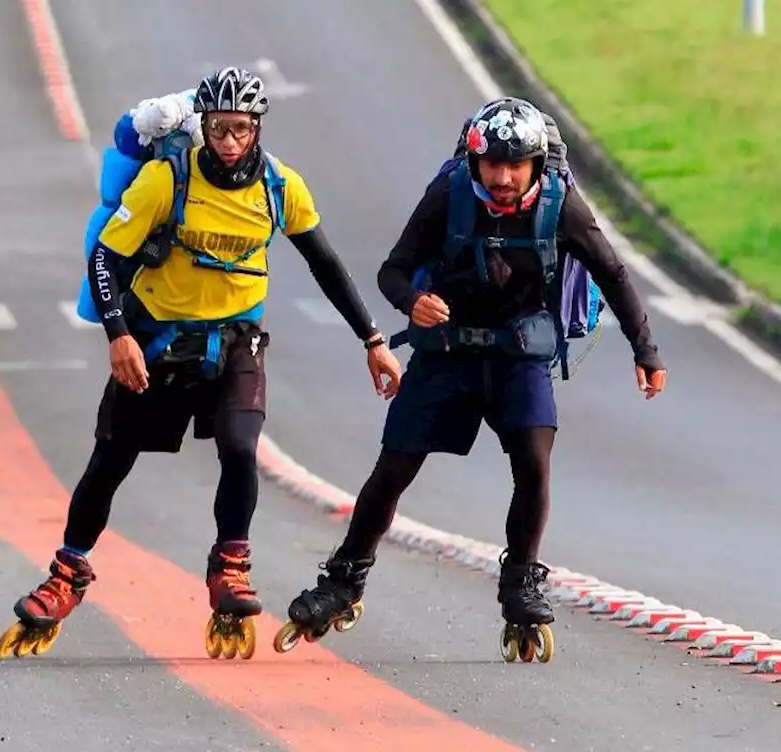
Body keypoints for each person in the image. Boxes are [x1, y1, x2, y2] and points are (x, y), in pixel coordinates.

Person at [0, 67, 402, 660]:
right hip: (157, 341)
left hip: (235, 345)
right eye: (218, 128)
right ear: (202, 126)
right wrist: (118, 336)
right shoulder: (166, 180)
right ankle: (68, 572)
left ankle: (230, 564)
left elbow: (326, 264)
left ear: (257, 127)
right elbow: (107, 259)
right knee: (111, 459)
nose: (229, 141)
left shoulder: (279, 186)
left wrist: (372, 339)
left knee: (240, 448)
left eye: (240, 129)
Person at [275, 96, 668, 659]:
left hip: (517, 356)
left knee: (533, 465)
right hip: (447, 352)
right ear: (475, 161)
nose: (503, 178)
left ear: (536, 164)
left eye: (516, 166)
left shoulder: (563, 207)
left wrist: (646, 350)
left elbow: (613, 274)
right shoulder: (451, 192)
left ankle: (522, 584)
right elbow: (392, 269)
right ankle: (343, 581)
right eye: (492, 165)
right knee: (393, 469)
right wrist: (413, 301)